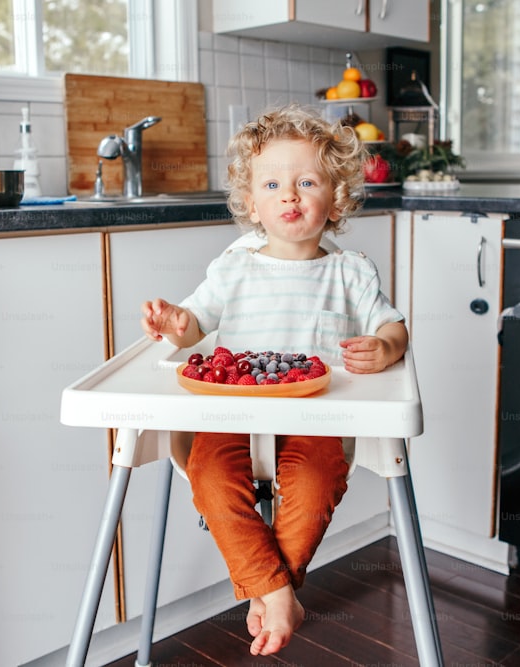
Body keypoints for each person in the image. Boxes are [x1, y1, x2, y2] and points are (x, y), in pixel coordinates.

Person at [140, 103, 408, 656]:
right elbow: (193, 325)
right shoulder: (233, 267)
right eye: (272, 183)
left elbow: (393, 325)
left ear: (334, 199)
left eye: (306, 181)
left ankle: (269, 590)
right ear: (252, 203)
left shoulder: (350, 271)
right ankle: (279, 592)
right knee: (209, 478)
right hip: (232, 413)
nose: (289, 194)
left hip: (317, 418)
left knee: (313, 490)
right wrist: (173, 323)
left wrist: (385, 347)